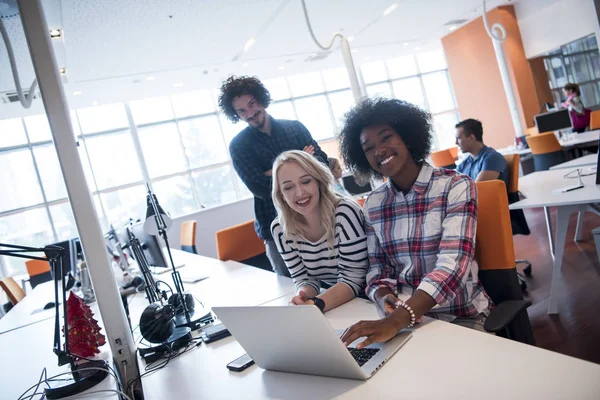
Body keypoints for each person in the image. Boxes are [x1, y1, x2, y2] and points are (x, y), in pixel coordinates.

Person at [337, 98, 491, 349]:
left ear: (407, 136)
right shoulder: (374, 204)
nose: (379, 151)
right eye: (368, 148)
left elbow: (451, 267)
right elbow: (377, 270)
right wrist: (382, 296)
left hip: (461, 318)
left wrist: (398, 318)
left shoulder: (456, 186)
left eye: (386, 138)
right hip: (405, 323)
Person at [218, 76, 328, 277]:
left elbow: (323, 164)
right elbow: (259, 187)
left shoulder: (295, 128)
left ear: (261, 99)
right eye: (241, 111)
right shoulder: (239, 145)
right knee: (294, 291)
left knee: (335, 282)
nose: (250, 113)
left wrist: (271, 172)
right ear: (236, 115)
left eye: (252, 104)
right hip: (276, 228)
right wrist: (302, 161)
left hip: (318, 219)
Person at [270, 150, 368, 312]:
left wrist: (316, 304)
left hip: (370, 297)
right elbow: (304, 278)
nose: (300, 193)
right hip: (335, 303)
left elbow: (354, 279)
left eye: (306, 181)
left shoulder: (344, 212)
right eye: (288, 187)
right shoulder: (280, 229)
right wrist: (303, 295)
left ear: (319, 181)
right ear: (281, 194)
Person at [455, 118, 509, 187]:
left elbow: (476, 191)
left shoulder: (492, 158)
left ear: (471, 138)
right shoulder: (463, 165)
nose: (456, 143)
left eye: (458, 138)